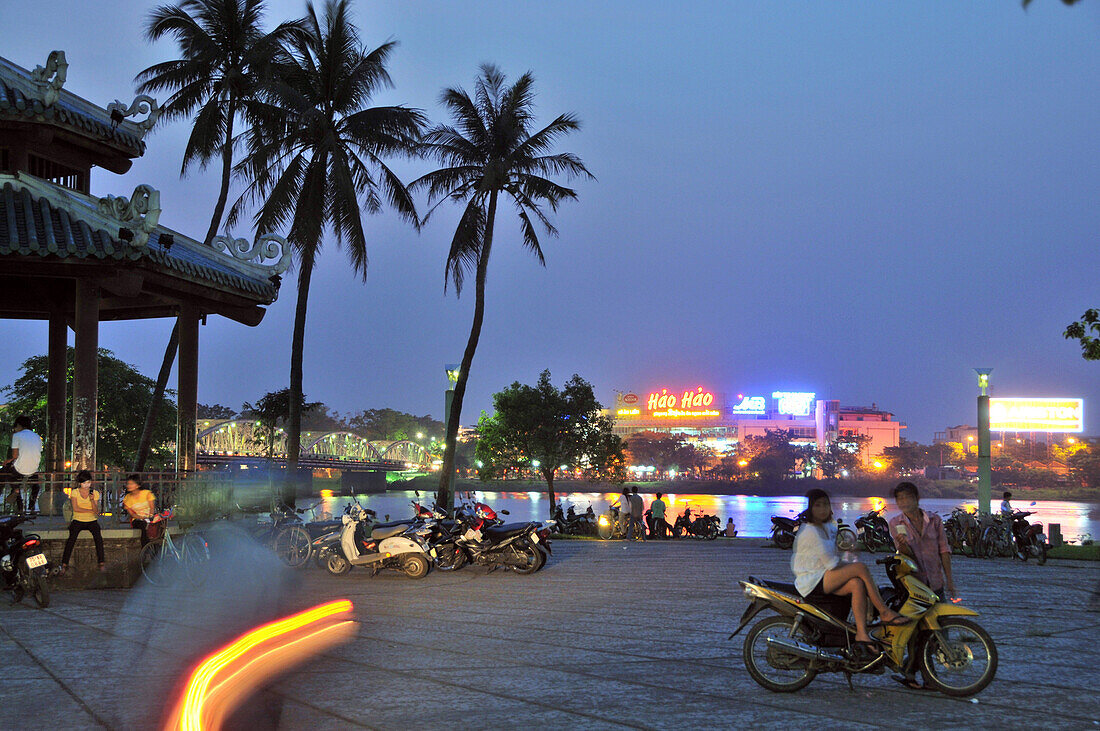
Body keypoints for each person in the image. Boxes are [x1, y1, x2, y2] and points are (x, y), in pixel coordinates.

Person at [791, 489, 910, 659]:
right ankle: (884, 612)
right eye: (818, 505)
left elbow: (834, 558)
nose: (823, 509)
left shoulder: (826, 527)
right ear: (810, 509)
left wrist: (849, 557)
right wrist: (851, 565)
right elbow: (832, 564)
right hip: (811, 580)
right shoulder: (811, 531)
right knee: (860, 569)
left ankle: (861, 633)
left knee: (857, 584)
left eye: (825, 504)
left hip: (821, 575)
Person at [888, 481, 957, 690]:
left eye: (907, 497)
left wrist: (950, 581)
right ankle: (925, 676)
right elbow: (904, 558)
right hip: (914, 587)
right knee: (916, 632)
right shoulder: (895, 523)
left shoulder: (934, 521)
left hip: (935, 583)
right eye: (900, 498)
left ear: (917, 498)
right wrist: (902, 546)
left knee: (939, 629)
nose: (904, 502)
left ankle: (911, 670)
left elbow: (943, 550)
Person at [60, 470, 106, 574]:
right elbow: (76, 508)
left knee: (98, 538)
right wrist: (90, 511)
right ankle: (64, 564)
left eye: (88, 482)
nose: (86, 485)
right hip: (78, 519)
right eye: (84, 483)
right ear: (80, 483)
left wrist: (92, 500)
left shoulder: (94, 493)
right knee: (71, 539)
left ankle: (101, 562)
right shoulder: (75, 492)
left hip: (92, 520)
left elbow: (96, 511)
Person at [1, 415, 42, 513]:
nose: (14, 430)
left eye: (15, 427)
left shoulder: (17, 436)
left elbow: (15, 455)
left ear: (19, 425)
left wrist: (8, 461)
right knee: (35, 486)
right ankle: (31, 507)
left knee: (5, 472)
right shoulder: (37, 437)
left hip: (19, 470)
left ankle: (18, 501)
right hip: (33, 469)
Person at [122, 475, 157, 547]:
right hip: (137, 519)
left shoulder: (147, 493)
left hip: (150, 518)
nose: (129, 486)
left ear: (137, 485)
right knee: (144, 528)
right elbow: (132, 514)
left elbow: (152, 508)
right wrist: (142, 517)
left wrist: (150, 517)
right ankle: (146, 549)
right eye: (128, 484)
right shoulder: (127, 498)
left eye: (131, 484)